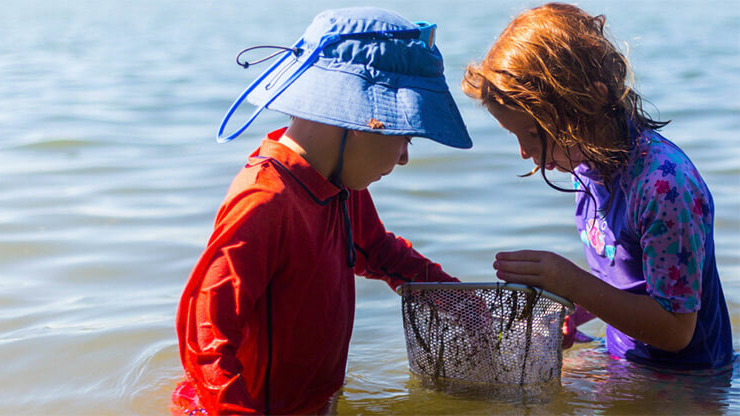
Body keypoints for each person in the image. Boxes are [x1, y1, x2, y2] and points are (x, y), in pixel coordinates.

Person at [172, 7, 473, 415]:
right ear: (353, 119)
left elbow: (378, 252)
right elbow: (206, 336)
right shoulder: (264, 202)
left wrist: (465, 305)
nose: (403, 157)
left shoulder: (340, 186)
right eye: (403, 136)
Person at [462, 2, 732, 370]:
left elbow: (675, 330)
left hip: (687, 380)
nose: (524, 152)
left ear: (586, 105)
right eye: (515, 135)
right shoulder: (585, 166)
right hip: (628, 361)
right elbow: (626, 273)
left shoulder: (664, 188)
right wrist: (577, 310)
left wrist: (570, 282)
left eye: (531, 134)